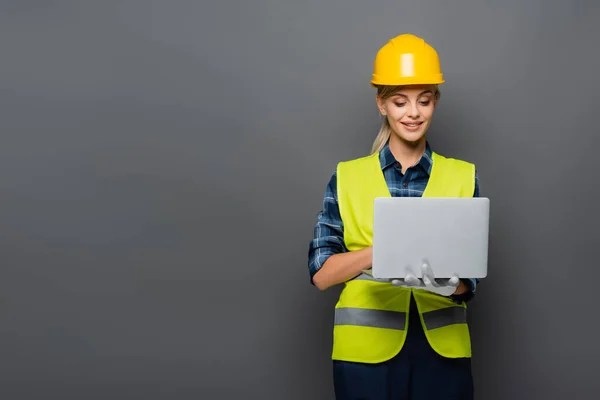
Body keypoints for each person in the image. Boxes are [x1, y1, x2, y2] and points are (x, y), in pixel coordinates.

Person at [307, 33, 482, 400]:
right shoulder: (347, 177)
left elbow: (469, 284)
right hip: (364, 356)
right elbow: (322, 275)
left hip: (443, 354)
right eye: (400, 102)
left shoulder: (463, 176)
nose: (413, 113)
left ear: (435, 102)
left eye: (424, 100)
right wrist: (384, 251)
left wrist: (444, 283)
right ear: (381, 105)